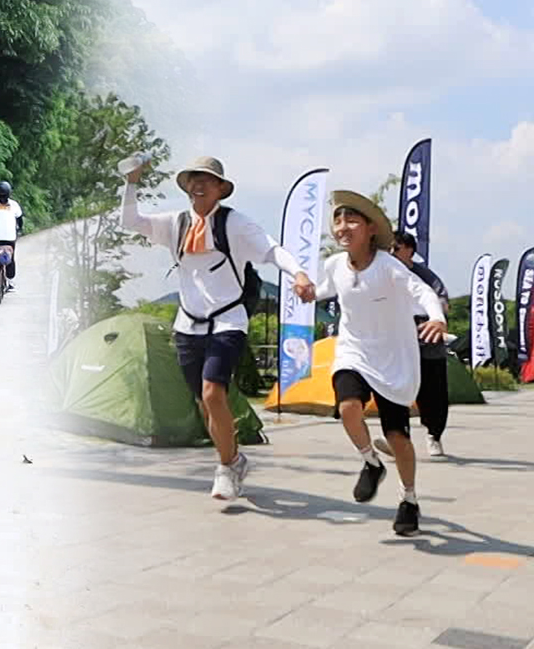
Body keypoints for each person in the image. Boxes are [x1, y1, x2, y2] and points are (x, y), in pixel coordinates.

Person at [123, 156, 313, 501]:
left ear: (220, 189)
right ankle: (234, 459)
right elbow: (131, 220)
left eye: (206, 180)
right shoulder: (176, 223)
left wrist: (298, 273)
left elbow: (272, 250)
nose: (198, 185)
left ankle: (225, 468)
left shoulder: (235, 224)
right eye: (193, 179)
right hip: (188, 325)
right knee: (204, 402)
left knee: (213, 393)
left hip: (228, 321)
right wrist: (132, 182)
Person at [308, 191, 447, 536]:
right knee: (348, 407)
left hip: (392, 358)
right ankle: (371, 462)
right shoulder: (334, 265)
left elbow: (424, 293)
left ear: (370, 229)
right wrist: (307, 290)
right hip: (353, 351)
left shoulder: (389, 266)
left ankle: (409, 499)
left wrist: (437, 318)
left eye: (351, 220)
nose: (343, 227)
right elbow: (325, 288)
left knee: (397, 437)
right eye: (338, 221)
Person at [391, 231, 451, 458]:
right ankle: (397, 437)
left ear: (410, 250)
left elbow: (443, 304)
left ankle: (434, 435)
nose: (391, 253)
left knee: (433, 394)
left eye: (396, 249)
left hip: (427, 344)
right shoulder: (385, 272)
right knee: (396, 391)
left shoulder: (426, 276)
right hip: (397, 343)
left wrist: (431, 313)